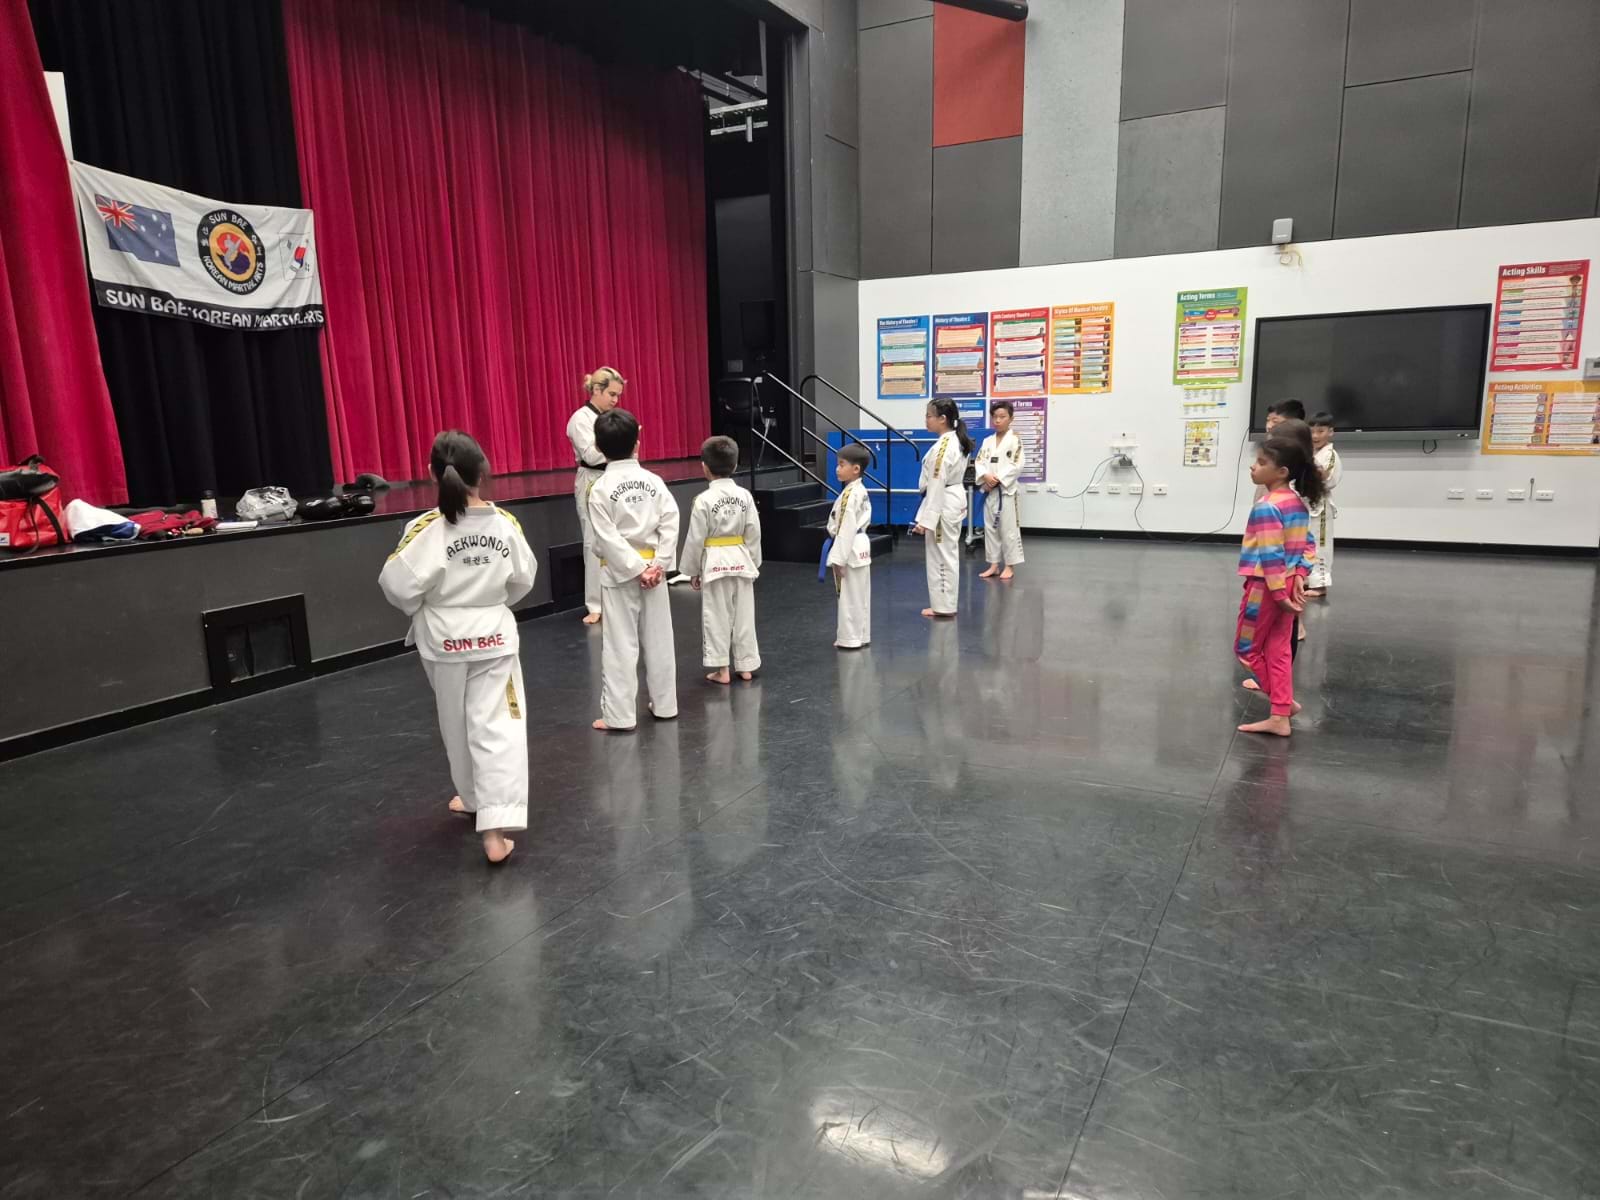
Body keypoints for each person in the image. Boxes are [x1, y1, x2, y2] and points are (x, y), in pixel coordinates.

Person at [378, 431, 535, 864]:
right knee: (498, 727)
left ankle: (471, 797)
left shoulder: (424, 529)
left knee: (456, 723)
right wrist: (489, 603)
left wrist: (426, 608)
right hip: (493, 637)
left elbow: (397, 585)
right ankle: (495, 829)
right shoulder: (505, 524)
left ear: (432, 474)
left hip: (443, 640)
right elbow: (523, 580)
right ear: (482, 471)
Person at [588, 408, 680, 731]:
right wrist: (659, 565)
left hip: (619, 574)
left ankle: (620, 716)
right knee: (659, 639)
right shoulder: (654, 482)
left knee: (619, 646)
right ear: (638, 443)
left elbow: (607, 537)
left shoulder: (599, 488)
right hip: (654, 572)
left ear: (598, 448)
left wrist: (635, 568)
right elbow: (670, 522)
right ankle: (666, 705)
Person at [1235, 434, 1322, 737]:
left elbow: (1271, 554)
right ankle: (1280, 715)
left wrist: (1278, 593)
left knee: (1246, 649)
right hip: (1285, 584)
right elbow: (1307, 545)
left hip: (1265, 588)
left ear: (1282, 471)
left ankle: (1281, 706)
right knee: (1278, 650)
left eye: (1261, 463)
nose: (1253, 467)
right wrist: (1299, 575)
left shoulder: (1267, 506)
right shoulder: (1297, 503)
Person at [682, 435, 762, 684]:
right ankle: (746, 665)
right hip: (741, 558)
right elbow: (753, 531)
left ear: (704, 466)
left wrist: (692, 570)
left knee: (716, 616)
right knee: (744, 616)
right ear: (736, 465)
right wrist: (753, 560)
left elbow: (696, 538)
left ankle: (722, 669)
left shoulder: (703, 500)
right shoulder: (745, 496)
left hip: (715, 562)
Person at [567, 367, 626, 625]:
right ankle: (595, 604)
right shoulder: (580, 419)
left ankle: (618, 593)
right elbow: (591, 455)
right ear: (597, 390)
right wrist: (619, 444)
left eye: (618, 395)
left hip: (615, 476)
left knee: (620, 535)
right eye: (611, 394)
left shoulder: (613, 417)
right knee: (593, 541)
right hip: (592, 479)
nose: (615, 400)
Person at [912, 397, 972, 618]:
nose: (926, 420)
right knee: (946, 553)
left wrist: (926, 520)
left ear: (942, 419)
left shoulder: (945, 446)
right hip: (950, 500)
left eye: (929, 416)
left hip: (943, 502)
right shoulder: (952, 440)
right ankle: (943, 604)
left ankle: (944, 606)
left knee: (942, 556)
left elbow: (936, 484)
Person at [827, 443, 874, 648]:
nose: (837, 468)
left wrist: (837, 559)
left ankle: (849, 639)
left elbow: (845, 527)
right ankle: (861, 635)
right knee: (860, 594)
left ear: (856, 469)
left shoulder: (850, 494)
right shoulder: (860, 490)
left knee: (847, 596)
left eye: (842, 464)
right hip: (860, 545)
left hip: (850, 547)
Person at [975, 400, 1025, 580]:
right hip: (990, 491)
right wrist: (986, 477)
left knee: (1008, 529)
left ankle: (1009, 566)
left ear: (1010, 418)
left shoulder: (1015, 440)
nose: (998, 420)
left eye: (1002, 417)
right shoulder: (987, 441)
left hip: (1006, 492)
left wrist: (998, 479)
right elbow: (979, 462)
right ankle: (994, 564)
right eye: (995, 417)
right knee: (990, 529)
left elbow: (1017, 465)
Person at [1306, 413, 1341, 597]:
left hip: (1320, 506)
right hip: (1306, 505)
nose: (1315, 436)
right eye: (1311, 431)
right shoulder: (1311, 452)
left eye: (1320, 431)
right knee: (1305, 544)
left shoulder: (1330, 455)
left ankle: (1320, 584)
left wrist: (1312, 468)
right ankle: (1306, 579)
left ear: (1331, 432)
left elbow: (1327, 476)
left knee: (1320, 545)